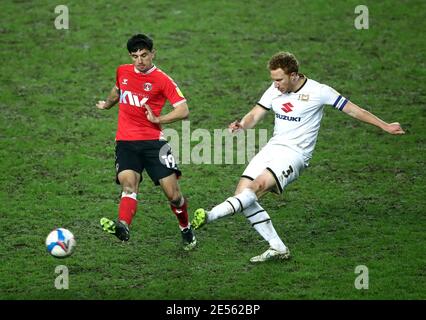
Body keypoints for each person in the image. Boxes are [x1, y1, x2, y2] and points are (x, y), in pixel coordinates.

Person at [191, 51, 405, 262]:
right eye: (273, 79)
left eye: (279, 79)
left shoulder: (319, 91)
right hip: (272, 148)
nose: (276, 84)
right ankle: (277, 247)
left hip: (295, 155)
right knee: (241, 195)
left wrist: (384, 125)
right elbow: (256, 113)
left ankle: (210, 215)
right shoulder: (274, 90)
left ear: (293, 75)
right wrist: (242, 125)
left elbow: (354, 110)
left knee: (254, 189)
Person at [96, 33, 196, 251]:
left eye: (144, 55)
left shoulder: (162, 79)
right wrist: (108, 105)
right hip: (125, 142)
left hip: (153, 143)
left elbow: (183, 110)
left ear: (153, 54)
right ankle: (123, 226)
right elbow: (117, 89)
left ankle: (186, 227)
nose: (139, 61)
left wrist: (159, 119)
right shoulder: (122, 71)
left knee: (174, 195)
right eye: (135, 56)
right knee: (129, 185)